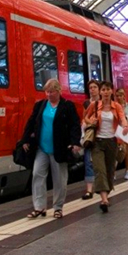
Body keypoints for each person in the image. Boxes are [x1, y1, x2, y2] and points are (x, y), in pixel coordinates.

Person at [20, 79, 82, 219]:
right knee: (37, 175)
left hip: (59, 149)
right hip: (41, 148)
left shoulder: (67, 106)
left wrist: (75, 142)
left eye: (51, 91)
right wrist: (25, 139)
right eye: (47, 92)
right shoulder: (40, 105)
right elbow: (31, 122)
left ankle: (58, 208)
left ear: (59, 91)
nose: (48, 94)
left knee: (59, 179)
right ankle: (39, 207)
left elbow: (74, 125)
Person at [84, 81, 128, 213]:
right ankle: (104, 199)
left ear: (111, 92)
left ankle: (107, 192)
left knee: (110, 170)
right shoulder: (94, 105)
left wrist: (126, 126)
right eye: (103, 89)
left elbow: (122, 118)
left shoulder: (116, 106)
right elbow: (85, 118)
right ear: (100, 92)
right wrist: (90, 121)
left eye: (107, 89)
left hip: (112, 142)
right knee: (99, 170)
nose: (105, 92)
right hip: (97, 142)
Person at [81, 80, 100, 199]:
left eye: (94, 87)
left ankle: (101, 185)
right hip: (89, 134)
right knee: (88, 161)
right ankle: (89, 190)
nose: (92, 89)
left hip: (102, 134)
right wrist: (88, 124)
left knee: (100, 162)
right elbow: (84, 118)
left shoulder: (104, 102)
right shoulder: (86, 103)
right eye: (90, 88)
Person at [114, 87, 128, 180]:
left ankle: (127, 170)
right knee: (116, 152)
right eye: (117, 95)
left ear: (124, 96)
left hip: (127, 132)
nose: (118, 97)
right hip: (117, 132)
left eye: (120, 95)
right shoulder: (114, 106)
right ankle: (113, 172)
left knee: (127, 152)